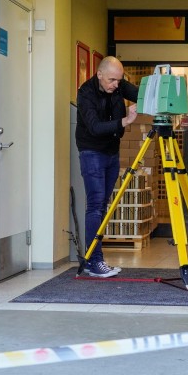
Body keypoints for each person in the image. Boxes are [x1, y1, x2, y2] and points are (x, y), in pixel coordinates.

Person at [75, 56, 139, 278]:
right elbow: (93, 127)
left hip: (112, 151)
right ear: (99, 74)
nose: (116, 85)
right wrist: (125, 121)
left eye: (119, 80)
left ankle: (96, 260)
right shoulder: (85, 93)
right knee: (95, 205)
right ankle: (94, 261)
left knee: (103, 205)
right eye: (112, 80)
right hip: (92, 151)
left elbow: (140, 94)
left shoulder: (118, 85)